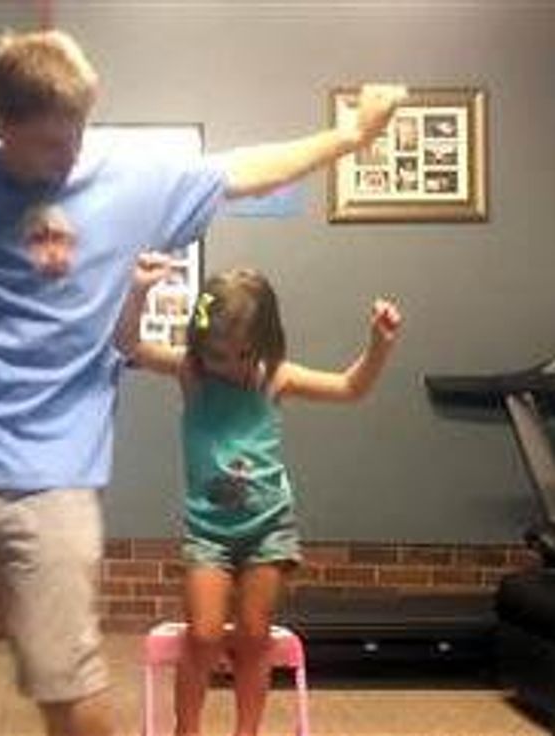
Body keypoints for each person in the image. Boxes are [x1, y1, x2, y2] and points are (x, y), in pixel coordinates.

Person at [0, 28, 405, 736]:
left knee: (73, 686)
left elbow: (246, 171)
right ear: (1, 124)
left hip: (59, 474)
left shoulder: (126, 181)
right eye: (51, 142)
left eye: (79, 131)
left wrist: (350, 137)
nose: (71, 153)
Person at [115, 253, 402, 736]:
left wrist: (378, 345)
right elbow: (129, 344)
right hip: (208, 533)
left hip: (268, 531)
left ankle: (246, 732)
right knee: (204, 634)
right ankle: (187, 729)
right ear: (200, 346)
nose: (231, 367)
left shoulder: (275, 376)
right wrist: (140, 290)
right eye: (219, 355)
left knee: (253, 636)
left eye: (244, 354)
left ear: (266, 343)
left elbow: (350, 387)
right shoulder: (191, 373)